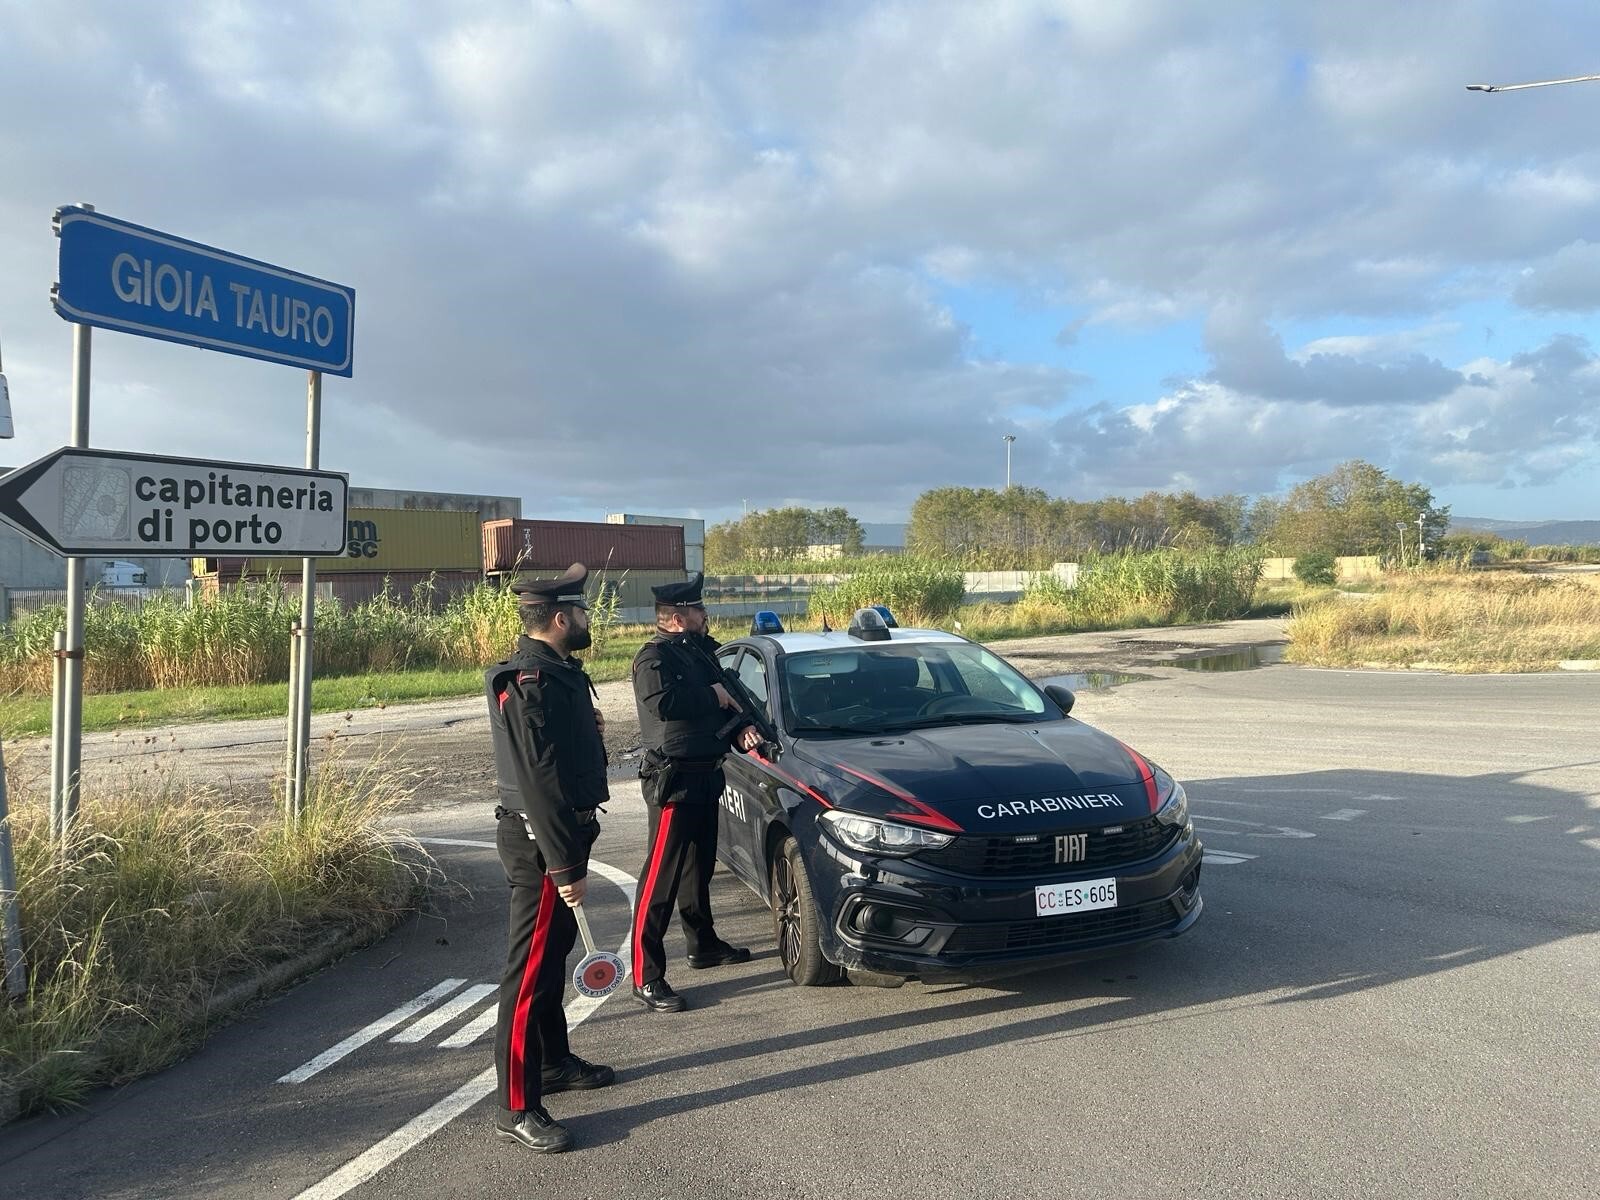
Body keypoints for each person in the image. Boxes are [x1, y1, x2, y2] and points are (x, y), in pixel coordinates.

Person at [485, 563, 615, 1154]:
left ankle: (555, 1061)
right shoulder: (530, 679)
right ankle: (517, 1104)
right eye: (583, 612)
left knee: (553, 957)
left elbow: (561, 756)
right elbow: (538, 783)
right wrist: (564, 866)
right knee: (528, 971)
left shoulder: (558, 672)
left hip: (563, 836)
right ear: (561, 618)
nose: (589, 620)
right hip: (542, 844)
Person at [630, 572, 763, 1013]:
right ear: (674, 618)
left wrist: (743, 725)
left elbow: (733, 697)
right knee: (660, 880)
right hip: (675, 778)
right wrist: (711, 694)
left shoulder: (701, 651)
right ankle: (647, 974)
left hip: (708, 773)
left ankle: (702, 944)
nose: (705, 615)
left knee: (698, 869)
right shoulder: (654, 658)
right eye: (697, 609)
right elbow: (662, 704)